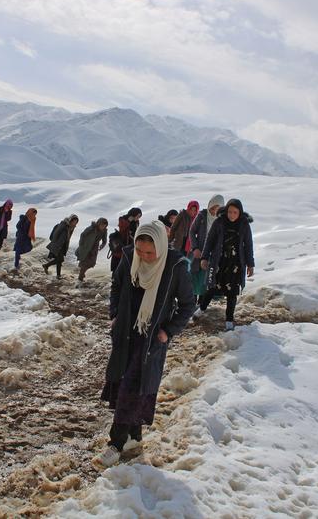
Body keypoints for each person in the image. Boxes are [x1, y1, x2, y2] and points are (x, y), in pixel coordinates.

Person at [96, 220, 196, 467]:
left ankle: (115, 444)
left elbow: (187, 304)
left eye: (150, 252)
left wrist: (168, 331)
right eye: (140, 250)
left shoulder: (174, 267)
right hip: (126, 333)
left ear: (161, 247)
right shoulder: (130, 258)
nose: (145, 257)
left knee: (133, 386)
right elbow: (117, 284)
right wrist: (114, 314)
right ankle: (133, 438)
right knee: (126, 384)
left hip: (150, 338)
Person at [196, 198, 254, 331]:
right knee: (211, 287)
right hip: (219, 261)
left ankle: (229, 320)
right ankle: (201, 309)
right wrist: (204, 257)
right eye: (229, 212)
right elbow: (209, 241)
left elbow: (248, 245)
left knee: (232, 292)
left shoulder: (244, 224)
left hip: (236, 264)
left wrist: (250, 264)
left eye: (235, 212)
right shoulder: (219, 222)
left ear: (240, 212)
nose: (232, 215)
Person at [188, 195, 224, 298]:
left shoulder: (222, 220)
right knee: (195, 277)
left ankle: (202, 303)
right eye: (212, 208)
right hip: (199, 253)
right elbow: (192, 231)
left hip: (212, 255)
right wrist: (195, 248)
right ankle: (191, 301)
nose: (213, 211)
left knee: (208, 278)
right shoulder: (202, 216)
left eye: (216, 209)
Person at [43, 214, 79, 279]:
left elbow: (68, 237)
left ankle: (58, 275)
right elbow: (56, 233)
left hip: (63, 245)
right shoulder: (63, 225)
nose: (74, 223)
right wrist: (55, 242)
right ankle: (46, 265)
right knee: (60, 259)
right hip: (57, 244)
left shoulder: (71, 227)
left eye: (76, 222)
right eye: (74, 221)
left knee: (59, 261)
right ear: (70, 220)